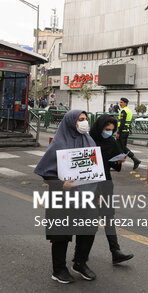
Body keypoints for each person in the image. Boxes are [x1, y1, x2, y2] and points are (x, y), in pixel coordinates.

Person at [34, 110, 99, 283]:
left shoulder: (89, 140)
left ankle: (80, 263)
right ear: (71, 122)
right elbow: (46, 171)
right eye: (80, 120)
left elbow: (95, 170)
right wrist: (61, 184)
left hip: (86, 196)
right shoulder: (59, 143)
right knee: (61, 234)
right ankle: (59, 269)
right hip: (63, 196)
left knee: (88, 230)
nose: (84, 123)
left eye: (85, 119)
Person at [89, 115, 134, 265]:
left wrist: (119, 160)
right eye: (107, 129)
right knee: (91, 220)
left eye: (112, 130)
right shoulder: (88, 141)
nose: (109, 132)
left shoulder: (111, 141)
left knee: (108, 217)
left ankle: (116, 252)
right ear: (99, 127)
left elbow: (115, 165)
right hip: (90, 184)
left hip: (106, 183)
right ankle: (81, 254)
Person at [116, 98, 141, 170]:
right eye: (120, 102)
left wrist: (118, 132)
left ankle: (135, 160)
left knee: (122, 148)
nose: (120, 104)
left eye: (122, 102)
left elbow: (122, 122)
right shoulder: (128, 110)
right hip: (125, 131)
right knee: (121, 148)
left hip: (122, 132)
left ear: (125, 103)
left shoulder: (124, 111)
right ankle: (119, 164)